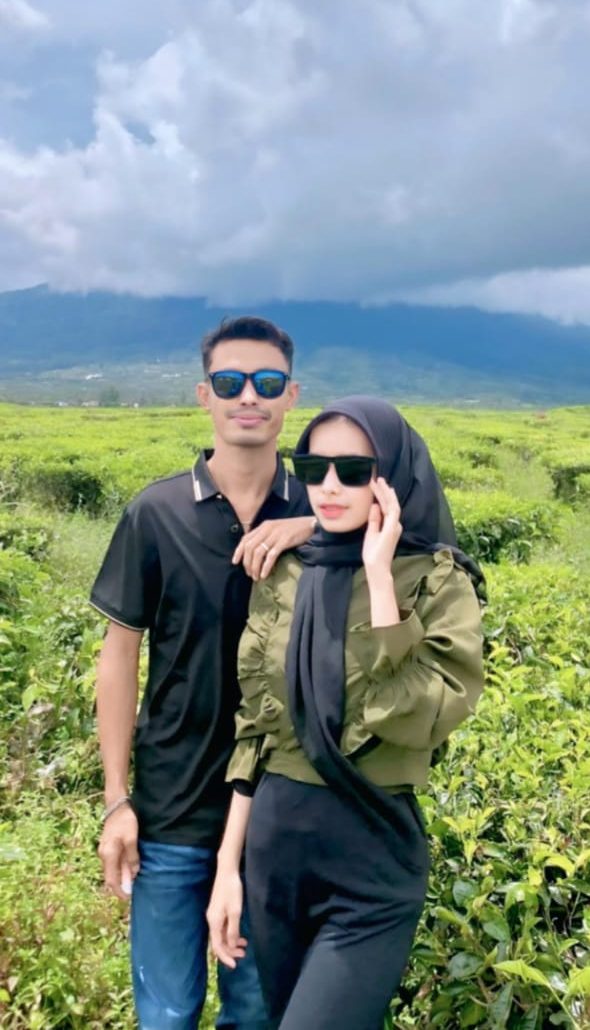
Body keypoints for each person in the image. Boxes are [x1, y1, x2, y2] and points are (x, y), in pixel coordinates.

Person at [207, 396, 485, 1030]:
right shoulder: (286, 572)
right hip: (276, 856)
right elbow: (256, 731)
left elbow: (421, 713)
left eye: (354, 471)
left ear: (392, 475)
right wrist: (228, 869)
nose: (329, 487)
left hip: (371, 859)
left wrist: (379, 576)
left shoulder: (437, 582)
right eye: (313, 468)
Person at [90, 316, 316, 1030]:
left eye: (268, 382)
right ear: (204, 394)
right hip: (172, 810)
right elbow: (119, 658)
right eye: (230, 381)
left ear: (291, 396)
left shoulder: (319, 506)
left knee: (256, 1014)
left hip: (278, 815)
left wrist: (312, 527)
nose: (249, 396)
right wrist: (117, 799)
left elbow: (421, 533)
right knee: (166, 1014)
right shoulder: (156, 513)